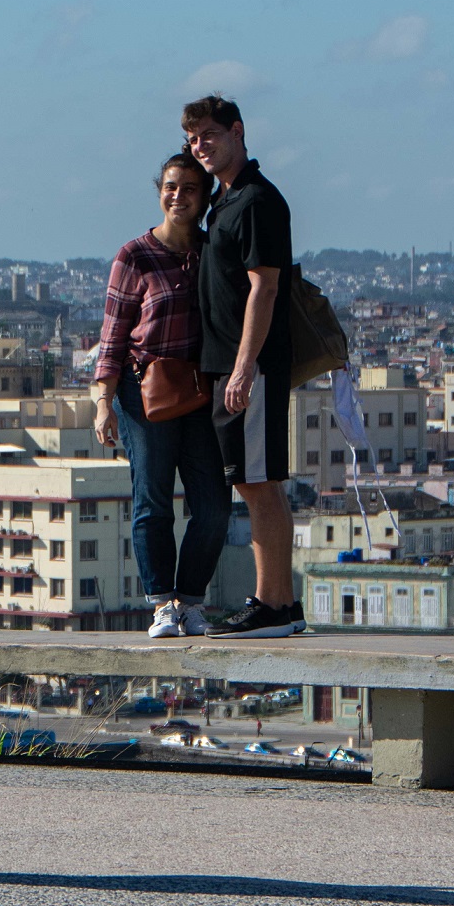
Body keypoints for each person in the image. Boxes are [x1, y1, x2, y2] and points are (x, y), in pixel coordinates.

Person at [183, 95, 307, 639]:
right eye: (193, 139)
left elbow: (266, 287)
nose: (200, 146)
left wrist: (243, 367)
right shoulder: (226, 201)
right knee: (258, 483)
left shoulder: (256, 200)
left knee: (257, 484)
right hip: (236, 365)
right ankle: (280, 603)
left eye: (210, 135)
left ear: (237, 131)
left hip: (248, 367)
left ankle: (271, 605)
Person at [93, 154, 232, 638]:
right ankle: (161, 604)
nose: (178, 196)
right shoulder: (135, 256)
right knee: (152, 499)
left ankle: (190, 600)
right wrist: (103, 402)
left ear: (204, 196)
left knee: (213, 505)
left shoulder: (212, 252)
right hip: (143, 391)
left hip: (200, 390)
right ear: (159, 192)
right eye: (171, 187)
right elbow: (113, 334)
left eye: (190, 188)